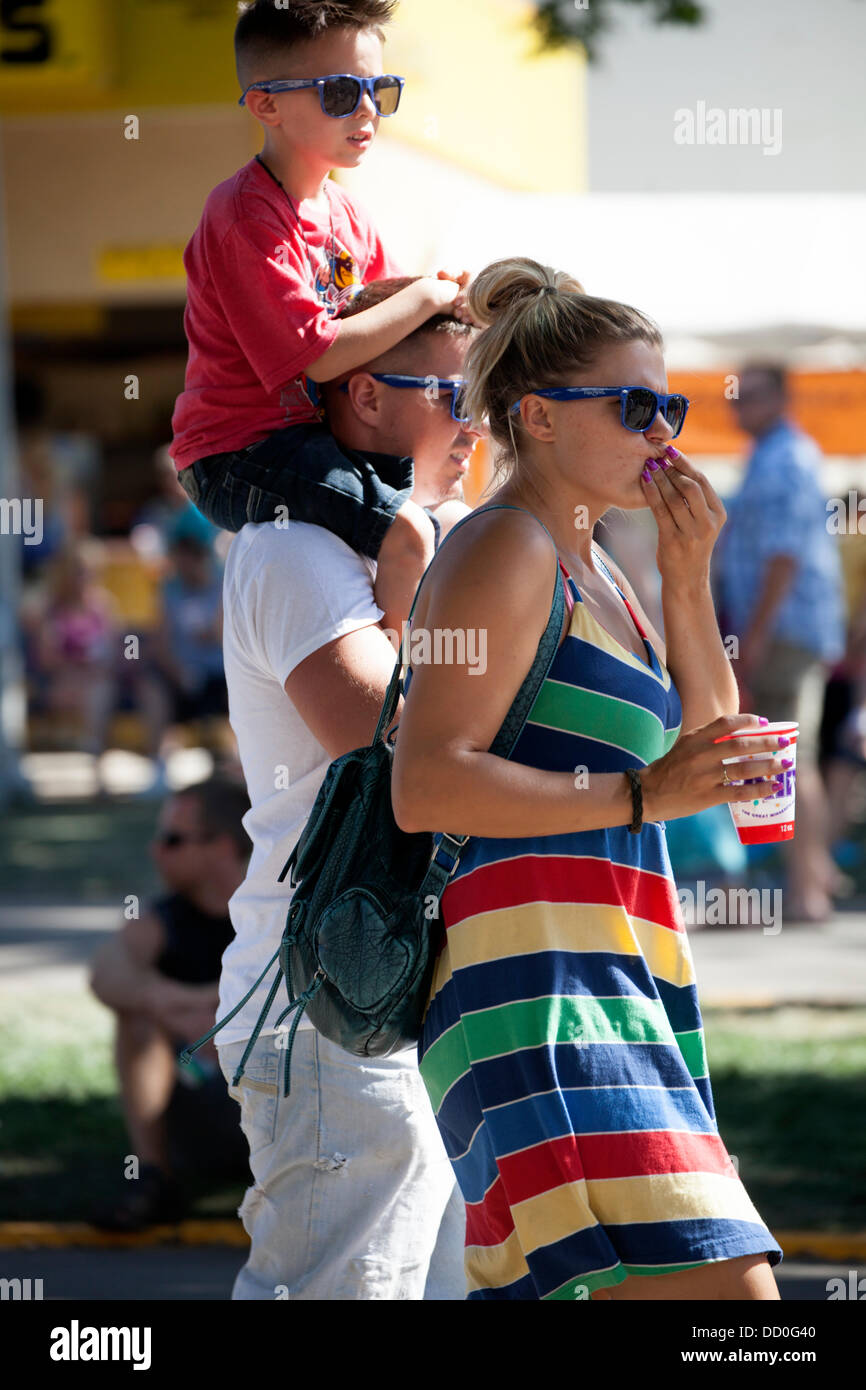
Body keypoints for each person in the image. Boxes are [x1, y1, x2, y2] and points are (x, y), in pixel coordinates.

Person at [391, 257, 789, 1301]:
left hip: (615, 969)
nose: (663, 432)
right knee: (729, 1294)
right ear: (538, 417)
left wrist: (686, 573)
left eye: (670, 405)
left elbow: (710, 747)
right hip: (532, 987)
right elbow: (424, 784)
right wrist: (638, 797)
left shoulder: (599, 567)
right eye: (633, 406)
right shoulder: (501, 549)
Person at [213, 281, 481, 1300]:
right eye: (452, 397)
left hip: (404, 982)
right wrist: (413, 587)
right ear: (365, 397)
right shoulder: (293, 544)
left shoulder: (419, 533)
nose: (475, 425)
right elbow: (398, 743)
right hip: (327, 993)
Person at [170, 0, 474, 641]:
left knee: (453, 517)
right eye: (341, 92)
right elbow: (321, 355)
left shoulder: (350, 215)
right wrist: (423, 296)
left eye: (380, 90)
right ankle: (406, 699)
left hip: (319, 440)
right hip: (237, 453)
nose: (366, 110)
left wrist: (457, 306)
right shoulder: (242, 214)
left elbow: (392, 338)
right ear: (265, 105)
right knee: (408, 529)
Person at [89, 777, 253, 1229]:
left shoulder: (271, 909)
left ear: (221, 846)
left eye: (172, 840)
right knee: (137, 1022)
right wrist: (173, 1003)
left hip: (276, 1102)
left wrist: (214, 1014)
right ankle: (153, 1180)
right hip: (201, 1101)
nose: (156, 851)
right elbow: (106, 973)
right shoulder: (163, 916)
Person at [717, 364, 847, 922]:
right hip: (782, 627)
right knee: (785, 755)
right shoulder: (773, 456)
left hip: (785, 630)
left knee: (792, 754)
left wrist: (757, 633)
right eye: (736, 396)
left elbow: (783, 557)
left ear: (780, 398)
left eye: (750, 396)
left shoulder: (787, 457)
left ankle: (805, 890)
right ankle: (807, 880)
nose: (738, 405)